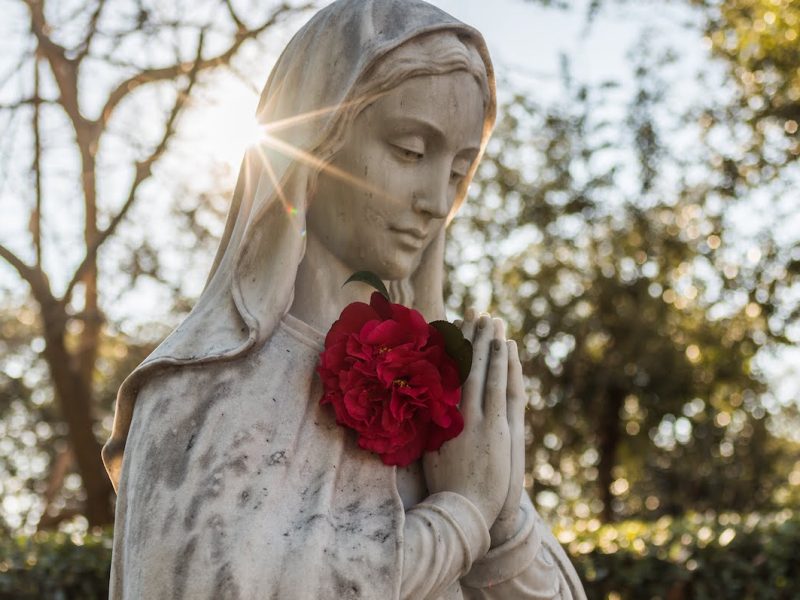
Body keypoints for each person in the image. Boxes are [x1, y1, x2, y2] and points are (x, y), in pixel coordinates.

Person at [102, 0, 587, 598]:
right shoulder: (198, 396)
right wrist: (463, 515)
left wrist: (503, 511)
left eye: (460, 171)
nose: (438, 200)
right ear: (316, 140)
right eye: (411, 151)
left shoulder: (437, 388)